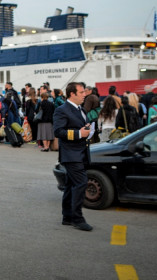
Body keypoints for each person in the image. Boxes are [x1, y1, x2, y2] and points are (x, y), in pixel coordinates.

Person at [53, 82, 92, 231]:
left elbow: (82, 126)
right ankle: (77, 218)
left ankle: (67, 217)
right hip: (71, 154)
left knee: (70, 185)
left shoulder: (81, 109)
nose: (84, 94)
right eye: (81, 92)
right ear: (72, 94)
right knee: (81, 183)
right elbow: (58, 131)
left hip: (81, 152)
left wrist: (87, 131)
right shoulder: (62, 110)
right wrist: (78, 134)